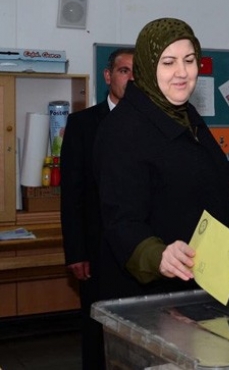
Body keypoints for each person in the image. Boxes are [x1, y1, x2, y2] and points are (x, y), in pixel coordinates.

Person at [93, 18, 229, 301]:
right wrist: (158, 255)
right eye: (168, 62)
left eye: (189, 60)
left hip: (204, 282)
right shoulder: (123, 128)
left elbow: (205, 174)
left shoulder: (184, 114)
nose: (182, 72)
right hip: (154, 296)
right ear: (146, 66)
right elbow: (122, 220)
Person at [60, 47, 134, 370]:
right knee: (97, 331)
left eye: (137, 73)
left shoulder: (151, 126)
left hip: (139, 250)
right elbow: (72, 193)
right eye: (124, 71)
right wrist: (76, 251)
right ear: (108, 76)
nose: (131, 79)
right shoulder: (82, 125)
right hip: (96, 249)